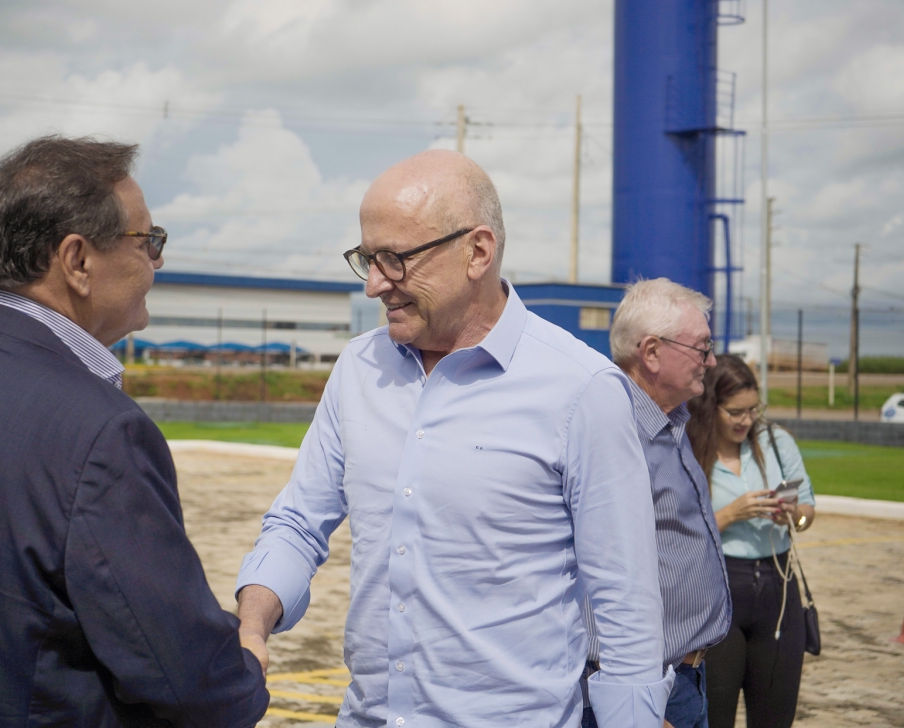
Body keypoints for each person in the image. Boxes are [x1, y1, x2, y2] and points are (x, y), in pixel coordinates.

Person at [0, 136, 269, 727]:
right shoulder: (101, 431)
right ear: (78, 261)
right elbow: (182, 674)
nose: (157, 261)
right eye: (149, 240)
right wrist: (244, 667)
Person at [234, 149, 674, 728]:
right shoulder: (359, 369)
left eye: (395, 260)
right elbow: (298, 522)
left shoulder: (582, 389)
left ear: (478, 252)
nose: (374, 284)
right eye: (367, 259)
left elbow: (625, 601)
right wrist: (251, 625)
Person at [586, 278, 733, 728]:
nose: (711, 361)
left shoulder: (669, 419)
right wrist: (632, 707)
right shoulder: (613, 431)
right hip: (644, 691)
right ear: (651, 352)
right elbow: (589, 570)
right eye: (702, 347)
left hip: (681, 680)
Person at [687, 354, 816, 728]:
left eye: (753, 409)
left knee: (775, 717)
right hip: (717, 591)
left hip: (778, 589)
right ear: (711, 406)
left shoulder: (777, 441)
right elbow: (678, 532)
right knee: (714, 716)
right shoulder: (689, 447)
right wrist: (731, 514)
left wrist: (793, 514)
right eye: (735, 412)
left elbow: (807, 513)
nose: (746, 420)